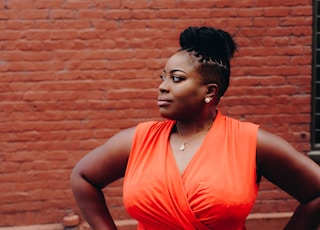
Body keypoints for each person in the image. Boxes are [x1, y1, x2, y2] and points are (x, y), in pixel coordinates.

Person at [71, 26, 320, 230]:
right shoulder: (138, 140)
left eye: (176, 78)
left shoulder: (250, 142)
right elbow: (83, 177)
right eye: (163, 77)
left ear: (209, 92)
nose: (163, 87)